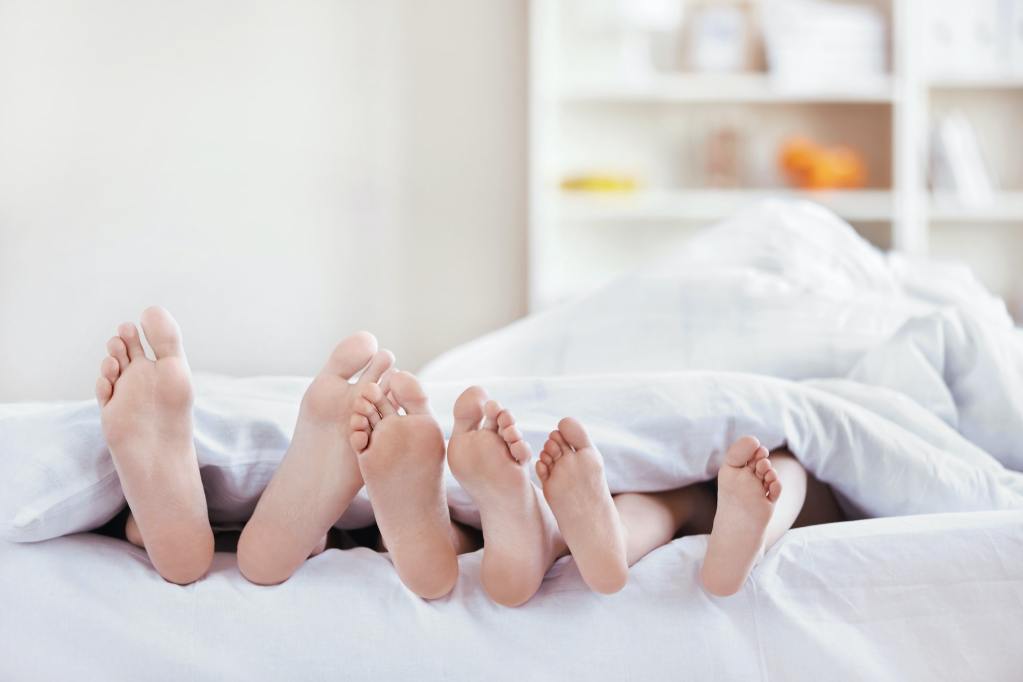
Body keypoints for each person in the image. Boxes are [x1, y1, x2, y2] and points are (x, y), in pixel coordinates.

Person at [95, 307, 843, 602]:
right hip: (662, 502)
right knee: (771, 472)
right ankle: (529, 530)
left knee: (675, 490)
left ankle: (215, 524)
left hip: (549, 505)